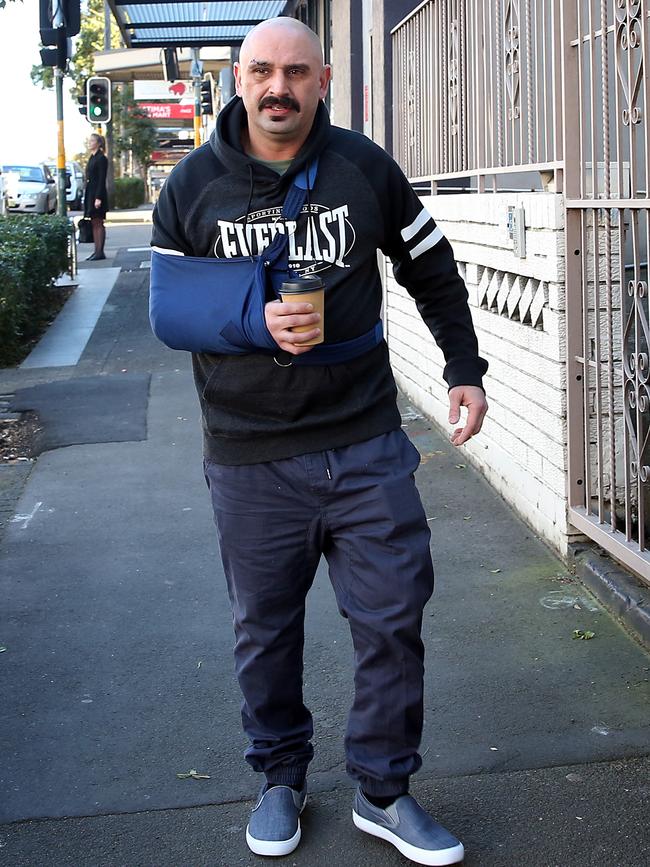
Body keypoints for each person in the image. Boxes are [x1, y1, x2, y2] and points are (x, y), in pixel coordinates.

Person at [151, 16, 488, 866]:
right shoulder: (191, 188)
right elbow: (168, 311)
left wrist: (464, 366)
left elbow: (431, 267)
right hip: (249, 449)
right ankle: (279, 775)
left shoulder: (363, 168)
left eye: (297, 72)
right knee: (265, 629)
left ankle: (382, 789)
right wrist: (251, 318)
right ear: (237, 78)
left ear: (325, 79)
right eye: (262, 70)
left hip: (366, 438)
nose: (279, 87)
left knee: (393, 617)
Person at [83, 132, 108, 261]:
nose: (89, 143)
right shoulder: (92, 158)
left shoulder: (101, 158)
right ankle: (96, 250)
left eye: (92, 141)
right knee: (94, 222)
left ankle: (100, 252)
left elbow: (101, 179)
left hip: (97, 193)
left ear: (98, 143)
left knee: (98, 222)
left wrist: (98, 197)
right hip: (90, 192)